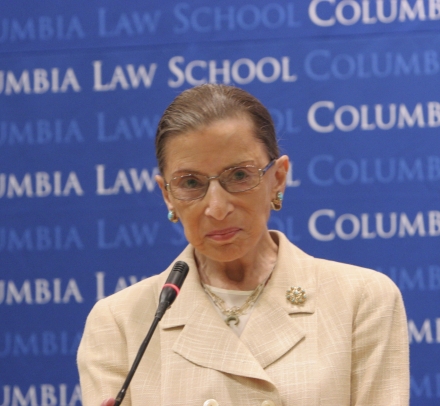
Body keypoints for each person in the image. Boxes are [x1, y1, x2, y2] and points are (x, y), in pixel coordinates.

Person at [77, 84, 409, 406]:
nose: (217, 208)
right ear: (167, 195)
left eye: (238, 176)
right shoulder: (119, 323)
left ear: (277, 178)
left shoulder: (361, 301)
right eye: (191, 183)